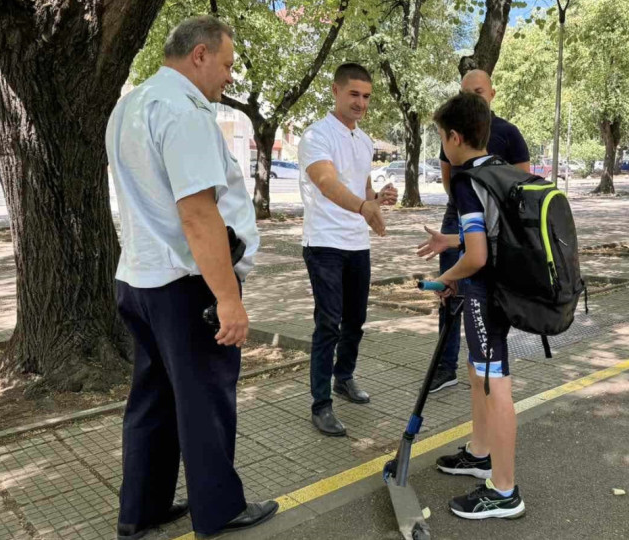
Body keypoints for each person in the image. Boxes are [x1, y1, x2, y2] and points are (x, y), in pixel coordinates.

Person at [107, 16, 277, 539]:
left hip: (139, 276)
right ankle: (219, 509)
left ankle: (143, 509)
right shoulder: (183, 111)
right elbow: (199, 213)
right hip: (186, 283)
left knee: (153, 399)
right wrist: (229, 298)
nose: (229, 77)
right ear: (199, 55)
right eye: (226, 64)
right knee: (205, 399)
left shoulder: (129, 107)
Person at [431, 91, 525, 520]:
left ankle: (504, 490)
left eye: (441, 138)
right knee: (479, 373)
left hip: (486, 296)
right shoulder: (501, 171)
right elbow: (489, 235)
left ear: (454, 137)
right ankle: (481, 452)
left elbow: (477, 258)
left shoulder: (468, 181)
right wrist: (449, 241)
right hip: (501, 291)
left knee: (495, 382)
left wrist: (444, 278)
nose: (442, 147)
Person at [298, 63, 399, 436]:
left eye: (367, 96)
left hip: (357, 243)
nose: (361, 102)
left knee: (354, 319)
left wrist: (378, 198)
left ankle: (344, 377)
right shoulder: (316, 136)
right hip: (324, 243)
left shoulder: (365, 140)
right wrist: (363, 205)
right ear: (336, 92)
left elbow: (363, 189)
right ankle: (320, 404)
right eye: (354, 94)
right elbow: (326, 183)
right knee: (328, 323)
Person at [415, 70, 529, 394]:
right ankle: (447, 366)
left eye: (477, 91)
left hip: (489, 220)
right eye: (465, 92)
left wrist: (480, 212)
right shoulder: (456, 143)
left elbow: (522, 187)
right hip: (463, 213)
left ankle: (488, 362)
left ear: (492, 93)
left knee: (489, 371)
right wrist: (458, 231)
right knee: (450, 292)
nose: (471, 98)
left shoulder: (509, 134)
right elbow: (449, 177)